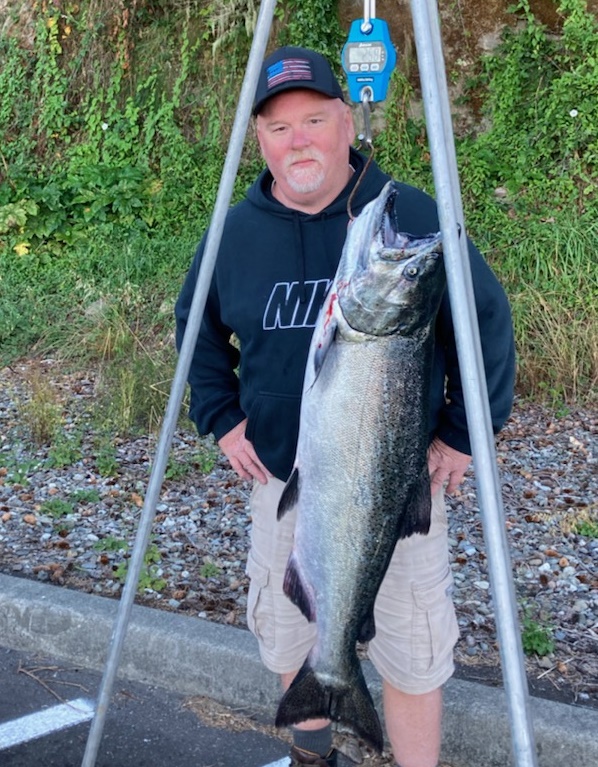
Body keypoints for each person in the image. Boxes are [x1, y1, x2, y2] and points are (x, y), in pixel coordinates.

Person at [175, 46, 515, 767]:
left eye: (314, 119)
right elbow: (194, 329)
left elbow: (485, 319)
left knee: (413, 646)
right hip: (279, 481)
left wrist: (462, 432)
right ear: (259, 141)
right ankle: (312, 752)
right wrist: (220, 416)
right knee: (290, 633)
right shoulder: (233, 234)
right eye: (278, 128)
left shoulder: (405, 215)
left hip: (391, 486)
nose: (297, 139)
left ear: (346, 123)